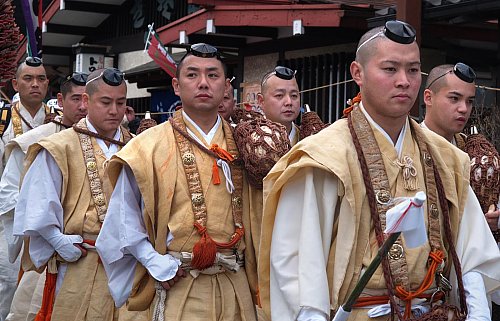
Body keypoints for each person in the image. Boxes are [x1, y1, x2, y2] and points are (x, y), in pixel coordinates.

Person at [258, 20, 500, 321]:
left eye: (413, 70)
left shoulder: (447, 158)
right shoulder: (325, 156)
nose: (404, 81)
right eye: (390, 69)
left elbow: (472, 251)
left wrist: (478, 315)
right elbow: (298, 265)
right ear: (357, 73)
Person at [95, 43, 258, 321]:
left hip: (235, 282)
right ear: (176, 85)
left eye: (213, 75)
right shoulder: (147, 146)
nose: (203, 83)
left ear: (226, 87)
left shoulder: (249, 145)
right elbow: (123, 216)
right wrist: (152, 260)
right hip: (179, 281)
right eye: (192, 75)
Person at [13, 68, 134, 321]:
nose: (114, 110)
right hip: (80, 260)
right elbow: (37, 202)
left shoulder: (139, 145)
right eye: (106, 102)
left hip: (130, 265)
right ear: (87, 102)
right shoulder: (59, 145)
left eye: (120, 103)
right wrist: (56, 239)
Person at [0, 72, 87, 321]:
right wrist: (48, 231)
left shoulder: (114, 139)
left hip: (93, 249)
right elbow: (9, 192)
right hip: (46, 246)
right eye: (75, 99)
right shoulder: (37, 139)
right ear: (60, 100)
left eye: (88, 99)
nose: (83, 107)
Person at [423, 63, 500, 318]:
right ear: (428, 97)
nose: (463, 109)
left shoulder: (479, 154)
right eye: (454, 98)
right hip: (426, 278)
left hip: (471, 271)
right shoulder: (411, 150)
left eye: (469, 101)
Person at [0, 57, 49, 321]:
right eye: (28, 78)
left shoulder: (57, 122)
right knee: (6, 284)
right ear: (15, 83)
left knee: (36, 288)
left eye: (41, 79)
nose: (35, 84)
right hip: (8, 215)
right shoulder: (4, 120)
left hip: (46, 221)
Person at [257, 66, 300, 145]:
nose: (289, 102)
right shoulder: (247, 138)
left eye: (294, 95)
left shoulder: (309, 139)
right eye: (279, 95)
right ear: (261, 101)